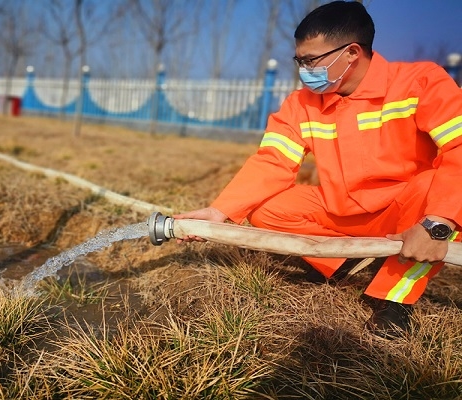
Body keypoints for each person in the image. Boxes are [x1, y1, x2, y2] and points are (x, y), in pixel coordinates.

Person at [175, 0, 462, 339]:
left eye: (311, 60)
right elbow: (273, 160)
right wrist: (219, 211)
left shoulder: (419, 83)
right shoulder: (302, 104)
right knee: (266, 209)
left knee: (434, 189)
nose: (303, 69)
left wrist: (438, 225)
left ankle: (394, 300)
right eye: (299, 60)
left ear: (352, 52)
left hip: (405, 214)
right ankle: (346, 267)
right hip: (341, 211)